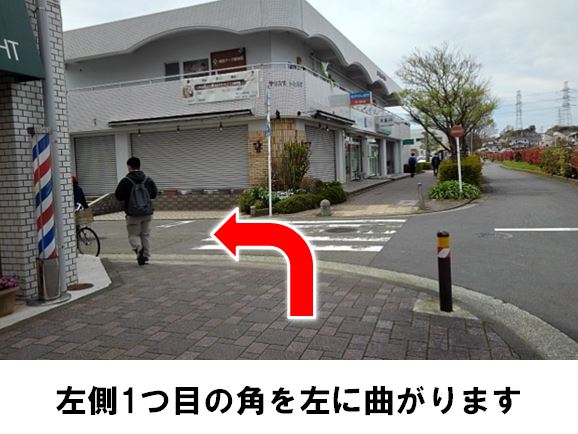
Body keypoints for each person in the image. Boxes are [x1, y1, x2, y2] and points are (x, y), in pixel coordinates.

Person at [115, 157, 158, 266]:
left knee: (133, 235)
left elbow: (118, 196)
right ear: (139, 166)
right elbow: (154, 194)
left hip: (133, 213)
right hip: (147, 212)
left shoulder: (125, 181)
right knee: (145, 235)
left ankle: (139, 249)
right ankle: (145, 256)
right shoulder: (147, 179)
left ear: (129, 167)